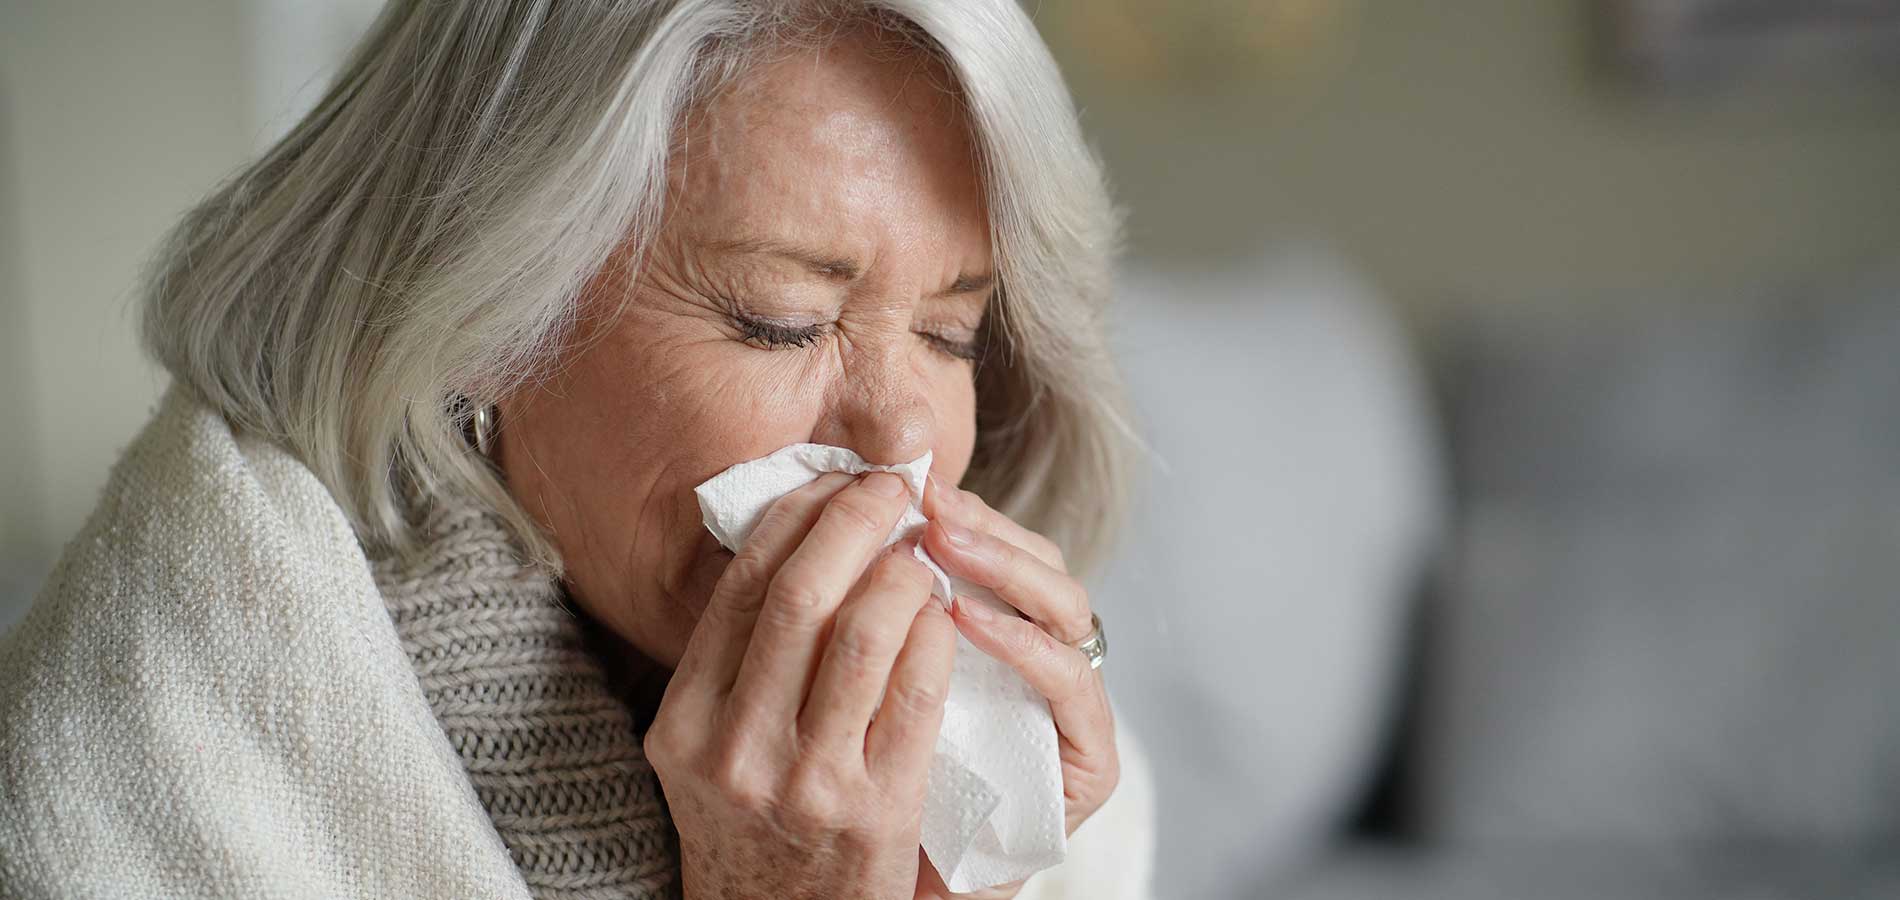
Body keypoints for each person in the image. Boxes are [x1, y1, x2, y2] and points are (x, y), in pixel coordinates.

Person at [0, 2, 1151, 898]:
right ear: (485, 317)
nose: (904, 440)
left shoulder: (996, 736)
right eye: (778, 320)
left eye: (953, 333)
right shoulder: (177, 709)